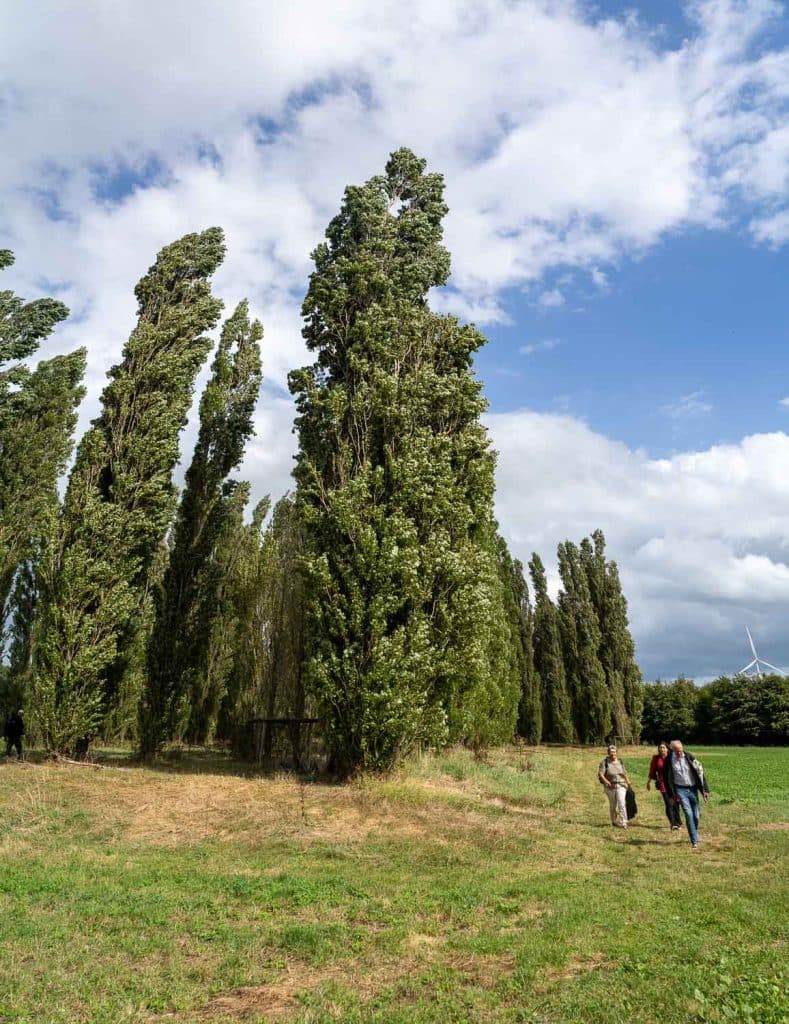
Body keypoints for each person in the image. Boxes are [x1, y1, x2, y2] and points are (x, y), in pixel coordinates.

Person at [663, 739, 709, 848]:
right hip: (680, 789)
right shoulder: (669, 760)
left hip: (693, 788)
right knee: (688, 813)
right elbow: (666, 779)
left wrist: (705, 790)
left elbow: (700, 773)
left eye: (681, 750)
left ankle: (693, 829)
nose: (680, 753)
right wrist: (671, 795)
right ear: (672, 750)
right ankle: (694, 841)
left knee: (696, 815)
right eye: (677, 751)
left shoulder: (689, 757)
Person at [647, 741, 681, 830]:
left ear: (667, 748)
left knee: (676, 802)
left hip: (674, 783)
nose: (662, 749)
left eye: (663, 747)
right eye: (660, 747)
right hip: (663, 783)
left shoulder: (672, 757)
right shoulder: (656, 758)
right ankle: (673, 823)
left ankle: (678, 821)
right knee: (669, 803)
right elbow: (652, 770)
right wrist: (649, 782)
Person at [598, 744, 632, 828]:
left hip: (621, 785)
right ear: (608, 753)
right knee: (613, 805)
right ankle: (613, 821)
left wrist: (628, 783)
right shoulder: (605, 762)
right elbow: (600, 774)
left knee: (622, 803)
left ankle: (624, 822)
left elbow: (624, 773)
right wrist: (606, 781)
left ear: (617, 753)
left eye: (614, 752)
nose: (613, 754)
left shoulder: (620, 761)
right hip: (610, 787)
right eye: (611, 752)